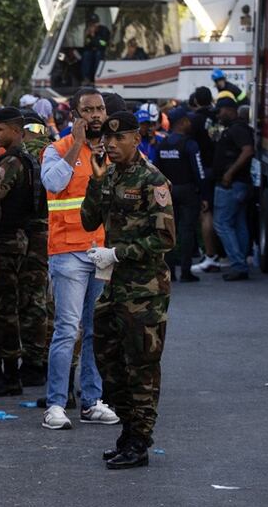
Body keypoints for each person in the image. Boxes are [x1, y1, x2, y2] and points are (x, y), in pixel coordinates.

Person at [81, 111, 175, 469]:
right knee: (109, 360)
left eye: (120, 139)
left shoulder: (153, 180)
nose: (112, 145)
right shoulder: (109, 177)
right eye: (107, 139)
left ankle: (139, 440)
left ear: (137, 139)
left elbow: (166, 238)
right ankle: (128, 430)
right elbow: (88, 220)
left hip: (145, 291)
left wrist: (118, 253)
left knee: (142, 366)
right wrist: (94, 181)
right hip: (114, 289)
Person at [39, 88, 120, 430]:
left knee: (95, 331)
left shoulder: (114, 152)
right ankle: (56, 405)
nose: (96, 115)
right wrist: (76, 145)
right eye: (88, 110)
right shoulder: (56, 150)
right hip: (68, 251)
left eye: (99, 108)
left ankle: (92, 401)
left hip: (101, 252)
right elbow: (54, 183)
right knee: (67, 330)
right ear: (75, 115)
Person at [0, 107, 40, 397]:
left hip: (7, 241)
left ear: (16, 131)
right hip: (10, 240)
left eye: (0, 129)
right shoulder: (21, 159)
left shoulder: (13, 162)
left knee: (3, 309)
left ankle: (10, 376)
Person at [18, 110, 51, 386]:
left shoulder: (24, 153)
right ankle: (49, 358)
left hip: (32, 232)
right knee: (50, 299)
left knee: (32, 299)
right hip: (57, 231)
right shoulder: (56, 149)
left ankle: (34, 361)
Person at [155, 107, 205, 282]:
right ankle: (185, 271)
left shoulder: (163, 144)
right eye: (188, 120)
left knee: (169, 231)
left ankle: (169, 272)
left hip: (167, 191)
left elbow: (156, 170)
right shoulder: (190, 144)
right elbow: (199, 171)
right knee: (187, 230)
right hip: (188, 190)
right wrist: (204, 194)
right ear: (183, 122)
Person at [211, 97, 255, 281]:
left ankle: (238, 264)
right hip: (238, 183)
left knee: (221, 223)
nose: (218, 115)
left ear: (229, 110)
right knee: (238, 224)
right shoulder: (237, 128)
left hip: (232, 184)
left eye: (220, 111)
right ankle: (241, 263)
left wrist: (229, 173)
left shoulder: (237, 129)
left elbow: (247, 150)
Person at [188, 87, 221, 273]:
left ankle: (210, 256)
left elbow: (193, 147)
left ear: (197, 101)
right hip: (220, 169)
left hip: (203, 170)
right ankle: (218, 254)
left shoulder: (196, 120)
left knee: (205, 212)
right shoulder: (218, 116)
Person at [80, 14, 110, 83]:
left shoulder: (104, 30)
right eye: (91, 24)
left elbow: (104, 43)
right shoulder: (88, 31)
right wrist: (87, 36)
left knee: (98, 54)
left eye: (94, 23)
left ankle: (97, 77)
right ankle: (86, 78)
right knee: (86, 54)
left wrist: (93, 36)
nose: (92, 26)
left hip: (102, 50)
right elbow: (87, 44)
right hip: (91, 50)